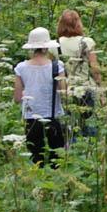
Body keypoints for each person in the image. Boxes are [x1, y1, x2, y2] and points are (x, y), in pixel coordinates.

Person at [13, 27, 65, 166]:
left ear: (31, 48)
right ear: (47, 47)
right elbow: (64, 93)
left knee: (36, 159)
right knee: (57, 159)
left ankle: (38, 185)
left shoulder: (21, 68)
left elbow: (17, 98)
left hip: (31, 117)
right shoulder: (57, 66)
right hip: (53, 115)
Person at [55, 9, 101, 138]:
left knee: (70, 124)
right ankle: (90, 147)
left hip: (65, 90)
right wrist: (101, 87)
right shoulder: (87, 42)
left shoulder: (55, 45)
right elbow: (94, 68)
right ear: (78, 24)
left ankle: (71, 149)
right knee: (89, 121)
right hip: (86, 87)